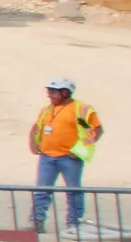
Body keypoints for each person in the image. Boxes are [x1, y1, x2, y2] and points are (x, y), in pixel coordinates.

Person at [28, 77, 103, 233]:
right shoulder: (47, 109)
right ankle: (37, 221)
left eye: (53, 92)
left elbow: (96, 131)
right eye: (49, 92)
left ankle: (74, 224)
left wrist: (79, 151)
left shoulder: (81, 109)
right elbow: (36, 127)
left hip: (69, 159)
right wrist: (33, 142)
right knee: (42, 190)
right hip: (47, 158)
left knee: (73, 191)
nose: (49, 95)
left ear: (65, 92)